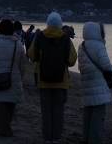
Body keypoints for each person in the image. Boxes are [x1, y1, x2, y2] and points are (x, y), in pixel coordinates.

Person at [27, 12, 77, 144]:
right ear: (61, 24)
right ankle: (56, 137)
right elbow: (72, 60)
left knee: (46, 110)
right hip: (61, 81)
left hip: (43, 81)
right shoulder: (66, 39)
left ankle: (47, 137)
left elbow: (31, 56)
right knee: (58, 110)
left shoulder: (39, 37)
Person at [0, 19, 26, 137]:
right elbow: (22, 65)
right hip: (14, 78)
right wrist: (20, 77)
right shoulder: (18, 44)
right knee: (9, 107)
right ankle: (4, 131)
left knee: (0, 106)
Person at [77, 22, 112, 144]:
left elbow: (81, 65)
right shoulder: (99, 46)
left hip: (86, 81)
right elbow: (106, 64)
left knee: (88, 112)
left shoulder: (82, 46)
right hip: (98, 82)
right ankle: (95, 140)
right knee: (98, 115)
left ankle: (85, 138)